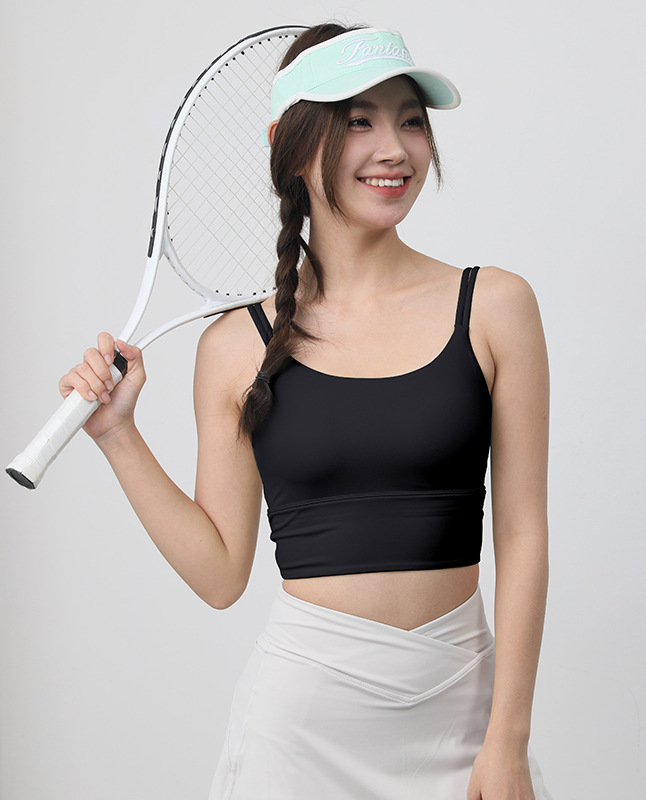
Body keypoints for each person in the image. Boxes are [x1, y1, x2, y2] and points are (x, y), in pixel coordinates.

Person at [60, 23, 552, 800]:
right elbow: (221, 575)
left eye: (411, 120)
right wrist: (118, 435)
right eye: (358, 121)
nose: (393, 148)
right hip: (302, 731)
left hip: (465, 710)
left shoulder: (495, 306)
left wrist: (508, 741)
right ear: (289, 148)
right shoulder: (234, 347)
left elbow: (522, 534)